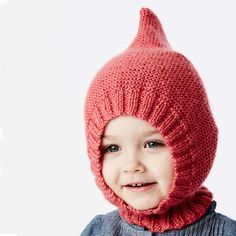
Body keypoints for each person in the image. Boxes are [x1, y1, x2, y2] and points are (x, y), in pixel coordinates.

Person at [81, 7, 236, 235]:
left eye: (152, 144)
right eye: (113, 147)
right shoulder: (99, 230)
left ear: (195, 147)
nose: (132, 165)